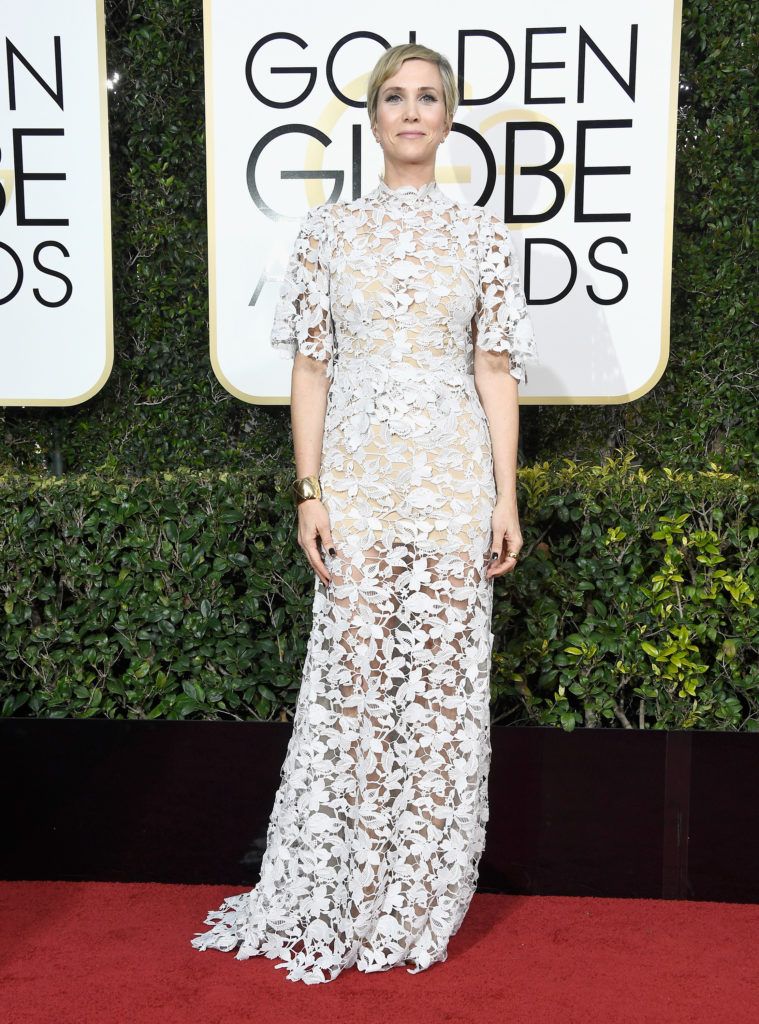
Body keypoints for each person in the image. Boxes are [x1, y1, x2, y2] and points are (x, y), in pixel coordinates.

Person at [191, 42, 538, 984]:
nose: (412, 111)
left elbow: (494, 372)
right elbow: (310, 369)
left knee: (439, 693)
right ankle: (339, 883)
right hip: (353, 477)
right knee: (351, 685)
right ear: (373, 116)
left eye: (428, 97)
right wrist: (309, 490)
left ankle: (417, 895)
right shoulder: (326, 233)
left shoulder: (484, 237)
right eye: (396, 96)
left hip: (452, 482)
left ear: (450, 115)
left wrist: (505, 495)